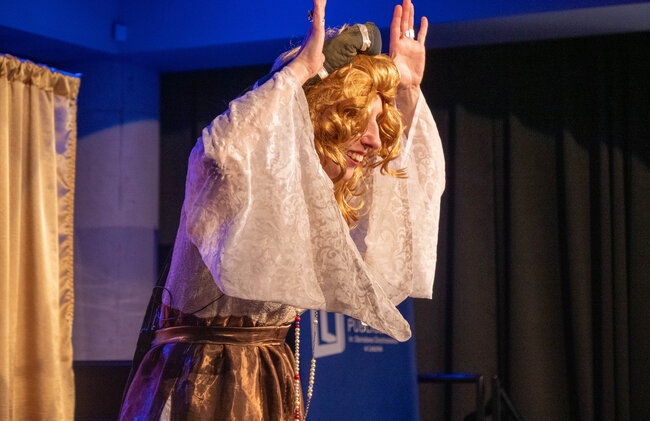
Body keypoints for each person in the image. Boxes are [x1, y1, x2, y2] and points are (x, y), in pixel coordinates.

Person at [120, 0, 445, 419]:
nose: (374, 140)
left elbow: (400, 214)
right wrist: (296, 74)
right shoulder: (243, 176)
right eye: (353, 117)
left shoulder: (313, 194)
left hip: (265, 374)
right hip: (201, 379)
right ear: (313, 113)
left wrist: (407, 94)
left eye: (376, 123)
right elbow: (220, 155)